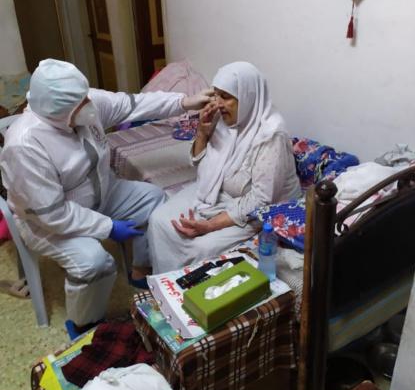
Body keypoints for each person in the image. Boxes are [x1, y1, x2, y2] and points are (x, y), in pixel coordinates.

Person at [0, 59, 212, 332]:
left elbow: (134, 104)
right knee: (94, 263)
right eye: (81, 104)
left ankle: (140, 269)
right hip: (47, 222)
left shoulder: (81, 102)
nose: (89, 105)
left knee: (153, 199)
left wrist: (185, 102)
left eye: (85, 97)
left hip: (102, 193)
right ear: (56, 111)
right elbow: (53, 214)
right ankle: (83, 323)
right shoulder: (25, 145)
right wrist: (108, 227)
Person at [147, 61, 301, 273]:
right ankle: (162, 284)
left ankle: (189, 289)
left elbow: (261, 199)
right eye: (216, 95)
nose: (218, 103)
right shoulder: (223, 119)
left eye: (226, 97)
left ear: (248, 97)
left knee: (200, 247)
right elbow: (199, 164)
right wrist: (202, 132)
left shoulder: (271, 136)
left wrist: (210, 225)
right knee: (159, 220)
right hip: (217, 190)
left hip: (256, 209)